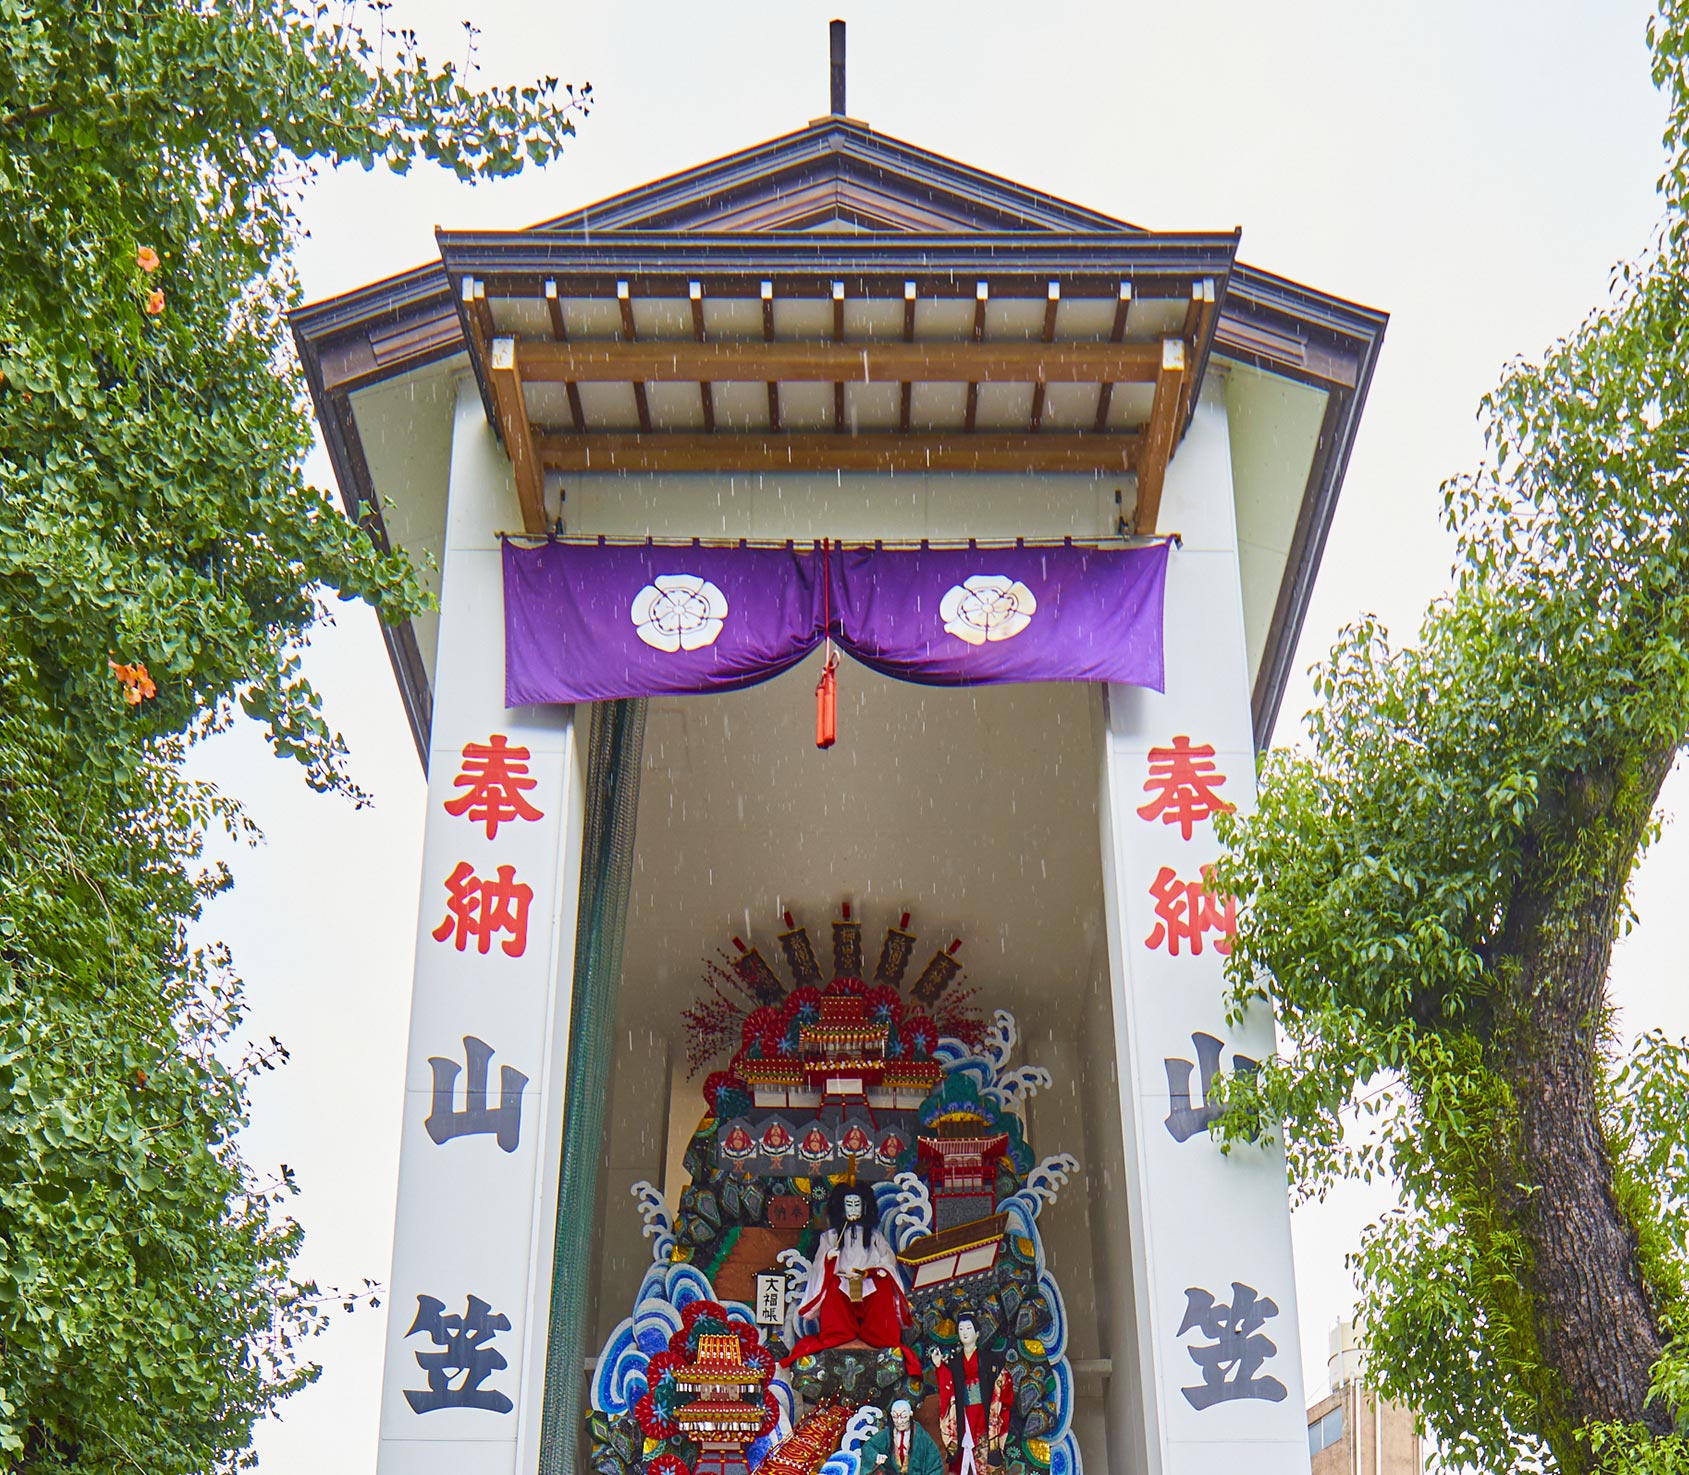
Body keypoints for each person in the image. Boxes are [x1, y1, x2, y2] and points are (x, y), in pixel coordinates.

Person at [784, 1183, 920, 1373]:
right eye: (849, 1204)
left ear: (864, 1207)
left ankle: (878, 1335)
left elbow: (888, 1258)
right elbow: (819, 1265)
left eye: (857, 1204)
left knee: (882, 1289)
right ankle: (839, 1334)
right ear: (842, 1207)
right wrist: (828, 1259)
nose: (853, 1209)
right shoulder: (830, 1237)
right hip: (842, 1283)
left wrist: (881, 1269)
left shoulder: (874, 1236)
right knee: (832, 1289)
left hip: (868, 1281)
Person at [931, 1313, 1013, 1474]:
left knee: (985, 1449)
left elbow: (1002, 1380)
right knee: (962, 1448)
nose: (965, 1332)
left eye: (969, 1328)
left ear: (977, 1333)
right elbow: (948, 1383)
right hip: (963, 1411)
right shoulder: (954, 1361)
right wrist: (939, 1365)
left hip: (983, 1411)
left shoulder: (988, 1359)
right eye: (961, 1329)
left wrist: (1000, 1382)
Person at [859, 1399, 945, 1475]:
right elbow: (868, 1447)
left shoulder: (922, 1438)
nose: (899, 1421)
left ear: (910, 1414)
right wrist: (875, 1456)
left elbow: (935, 1465)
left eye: (903, 1417)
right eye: (895, 1417)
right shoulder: (887, 1434)